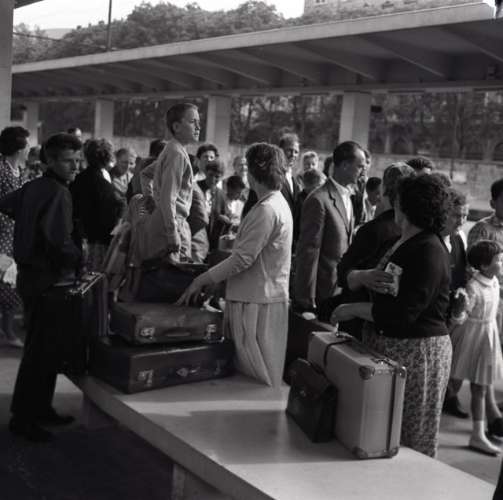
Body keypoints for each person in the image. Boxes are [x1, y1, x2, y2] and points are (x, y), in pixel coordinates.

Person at [332, 174, 452, 458]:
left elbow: (403, 313)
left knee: (410, 439)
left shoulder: (429, 249)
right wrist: (364, 278)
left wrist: (352, 309)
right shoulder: (406, 240)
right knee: (382, 435)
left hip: (418, 353)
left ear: (405, 206)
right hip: (394, 346)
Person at [178, 143, 293, 387]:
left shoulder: (266, 209)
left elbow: (242, 259)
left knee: (253, 377)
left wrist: (202, 279)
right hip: (261, 299)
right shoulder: (276, 203)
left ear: (253, 172)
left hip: (255, 304)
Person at [0, 133, 83, 442]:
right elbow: (59, 243)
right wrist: (79, 258)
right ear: (50, 161)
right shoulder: (59, 193)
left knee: (42, 349)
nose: (75, 167)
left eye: (77, 161)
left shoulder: (32, 186)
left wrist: (28, 225)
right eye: (68, 161)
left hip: (31, 278)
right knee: (41, 352)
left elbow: (5, 204)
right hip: (50, 281)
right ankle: (24, 419)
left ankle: (40, 409)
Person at [294, 141, 365, 313]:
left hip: (340, 291)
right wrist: (306, 299)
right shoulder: (318, 200)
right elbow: (308, 252)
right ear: (345, 165)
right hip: (321, 294)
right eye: (360, 166)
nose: (363, 172)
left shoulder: (349, 197)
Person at [449, 240, 503, 455]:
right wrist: (459, 307)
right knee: (452, 383)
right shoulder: (473, 287)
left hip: (488, 337)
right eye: (498, 260)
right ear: (484, 265)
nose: (502, 263)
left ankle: (478, 434)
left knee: (480, 387)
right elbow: (460, 318)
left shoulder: (495, 282)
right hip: (471, 337)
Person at [139, 103, 200, 262]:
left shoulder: (172, 149)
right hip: (172, 226)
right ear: (176, 127)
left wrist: (150, 197)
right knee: (172, 274)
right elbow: (168, 198)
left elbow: (145, 174)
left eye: (199, 122)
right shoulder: (176, 153)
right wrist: (172, 233)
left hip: (163, 222)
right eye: (193, 122)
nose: (198, 127)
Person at [467, 178, 503, 438]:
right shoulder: (482, 229)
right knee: (486, 358)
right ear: (492, 202)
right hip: (489, 302)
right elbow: (473, 268)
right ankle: (491, 414)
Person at [70, 139, 125, 271]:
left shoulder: (77, 179)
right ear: (108, 157)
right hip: (100, 240)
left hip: (79, 237)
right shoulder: (104, 184)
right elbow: (115, 209)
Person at [442, 190, 471, 419]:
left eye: (464, 215)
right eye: (456, 215)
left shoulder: (459, 237)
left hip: (453, 306)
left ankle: (448, 395)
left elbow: (461, 270)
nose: (461, 221)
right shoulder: (435, 239)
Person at [0, 127, 29, 348]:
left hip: (14, 232)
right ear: (19, 148)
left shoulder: (21, 170)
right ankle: (8, 333)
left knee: (11, 283)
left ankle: (7, 330)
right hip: (2, 232)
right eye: (26, 145)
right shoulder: (1, 169)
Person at [198, 159, 226, 250]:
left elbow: (224, 214)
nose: (213, 179)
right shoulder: (196, 188)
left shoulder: (221, 194)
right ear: (206, 172)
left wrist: (222, 217)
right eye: (210, 175)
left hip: (212, 240)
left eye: (217, 177)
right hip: (195, 236)